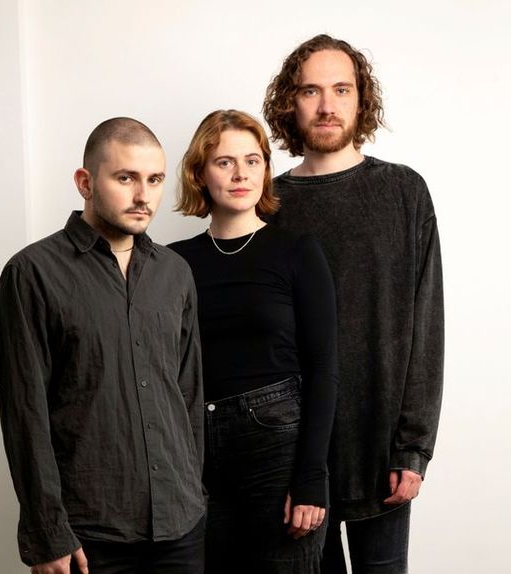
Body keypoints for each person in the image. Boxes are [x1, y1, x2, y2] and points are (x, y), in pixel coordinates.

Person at [263, 34, 445, 574]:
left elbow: (427, 325)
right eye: (311, 91)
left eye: (341, 89)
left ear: (361, 99)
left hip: (381, 452)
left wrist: (413, 447)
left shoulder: (403, 191)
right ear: (290, 103)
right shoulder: (267, 204)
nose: (327, 105)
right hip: (295, 459)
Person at [0, 117, 205, 574]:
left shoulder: (175, 273)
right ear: (85, 183)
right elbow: (25, 414)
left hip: (180, 527)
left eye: (154, 179)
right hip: (87, 537)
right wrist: (47, 533)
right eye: (126, 178)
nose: (143, 195)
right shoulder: (32, 273)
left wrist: (195, 494)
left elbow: (188, 395)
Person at [169, 109, 338, 574]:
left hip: (278, 448)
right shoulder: (173, 263)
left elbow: (324, 368)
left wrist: (311, 477)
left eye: (252, 160)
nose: (240, 174)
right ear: (200, 173)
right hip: (197, 453)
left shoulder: (296, 251)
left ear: (265, 170)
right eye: (224, 162)